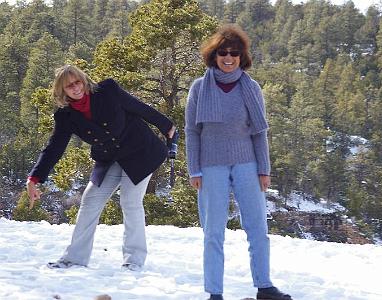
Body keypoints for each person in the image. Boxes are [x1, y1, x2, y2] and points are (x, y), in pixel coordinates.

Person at [27, 64, 175, 270]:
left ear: (84, 80)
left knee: (130, 202)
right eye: (69, 86)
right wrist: (34, 178)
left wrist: (167, 125)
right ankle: (74, 259)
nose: (75, 88)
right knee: (89, 201)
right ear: (62, 91)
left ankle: (134, 261)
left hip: (141, 153)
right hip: (109, 159)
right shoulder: (65, 115)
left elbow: (138, 107)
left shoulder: (108, 90)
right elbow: (54, 147)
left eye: (77, 82)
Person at [185, 24, 292, 300]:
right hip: (210, 167)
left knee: (258, 228)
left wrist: (264, 169)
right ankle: (215, 293)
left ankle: (264, 286)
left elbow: (259, 131)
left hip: (248, 165)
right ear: (214, 54)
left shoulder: (250, 87)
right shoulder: (199, 88)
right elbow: (191, 131)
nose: (229, 58)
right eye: (223, 52)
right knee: (213, 232)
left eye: (234, 52)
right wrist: (193, 168)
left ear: (241, 56)